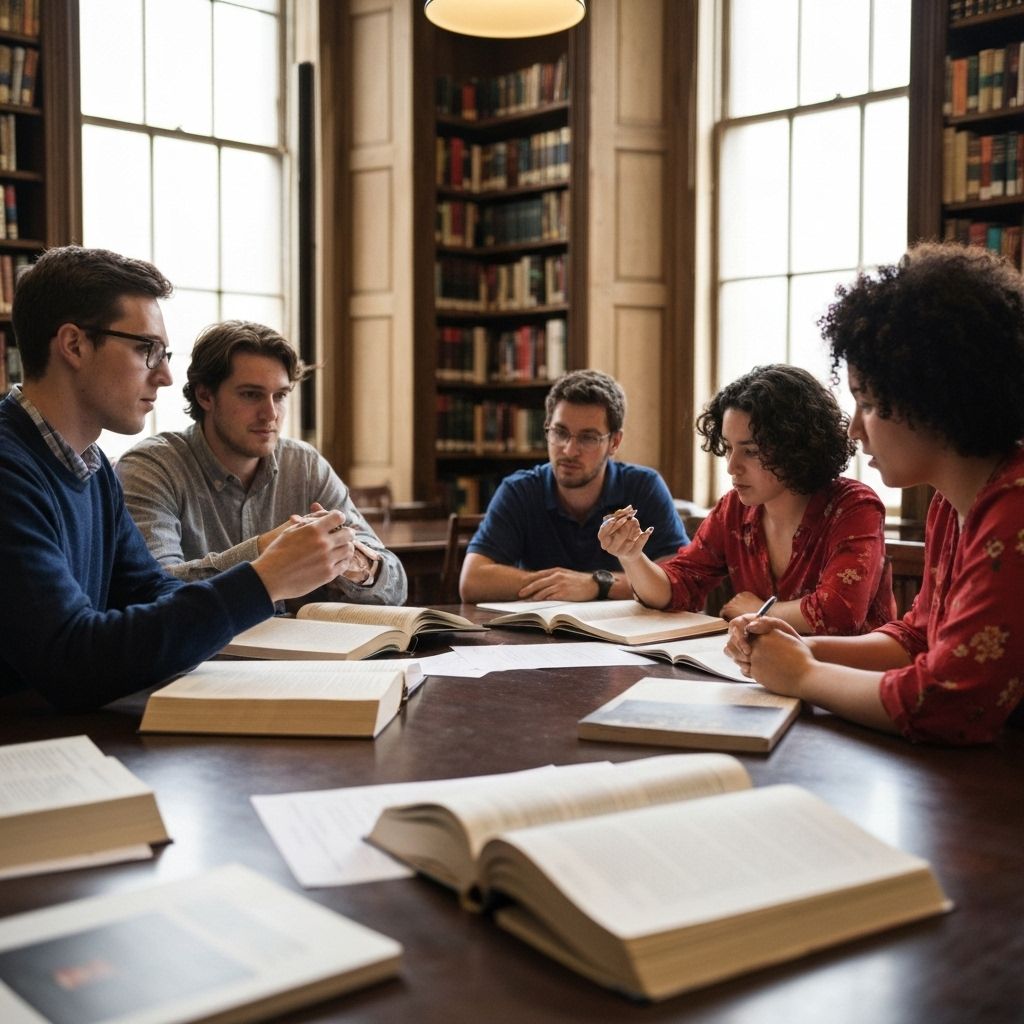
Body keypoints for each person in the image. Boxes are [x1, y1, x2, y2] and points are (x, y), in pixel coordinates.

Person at [0, 246, 356, 712]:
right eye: (146, 349)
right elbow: (71, 659)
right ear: (74, 345)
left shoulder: (92, 467)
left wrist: (262, 582)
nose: (166, 376)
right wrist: (263, 579)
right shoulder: (10, 469)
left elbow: (153, 591)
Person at [726, 243, 1024, 744]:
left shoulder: (1014, 507)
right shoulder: (952, 503)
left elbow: (946, 703)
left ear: (931, 398)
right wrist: (801, 648)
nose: (854, 429)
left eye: (866, 402)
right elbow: (918, 638)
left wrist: (803, 674)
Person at [115, 320, 407, 607]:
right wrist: (267, 550)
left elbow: (396, 586)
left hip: (303, 639)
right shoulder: (152, 467)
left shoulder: (305, 465)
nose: (270, 414)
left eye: (280, 396)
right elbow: (152, 594)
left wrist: (354, 563)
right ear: (205, 396)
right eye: (251, 395)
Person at [600, 364, 895, 635]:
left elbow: (839, 614)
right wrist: (632, 557)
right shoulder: (735, 509)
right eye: (728, 448)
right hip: (764, 668)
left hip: (847, 671)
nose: (731, 466)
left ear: (797, 447)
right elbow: (678, 586)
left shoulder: (854, 507)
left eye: (751, 451)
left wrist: (759, 610)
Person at [459, 369, 688, 603]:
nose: (569, 450)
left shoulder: (644, 487)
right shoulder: (520, 490)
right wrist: (560, 584)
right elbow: (472, 581)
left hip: (623, 626)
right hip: (544, 626)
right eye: (560, 433)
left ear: (614, 442)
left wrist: (597, 584)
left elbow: (679, 580)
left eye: (588, 438)